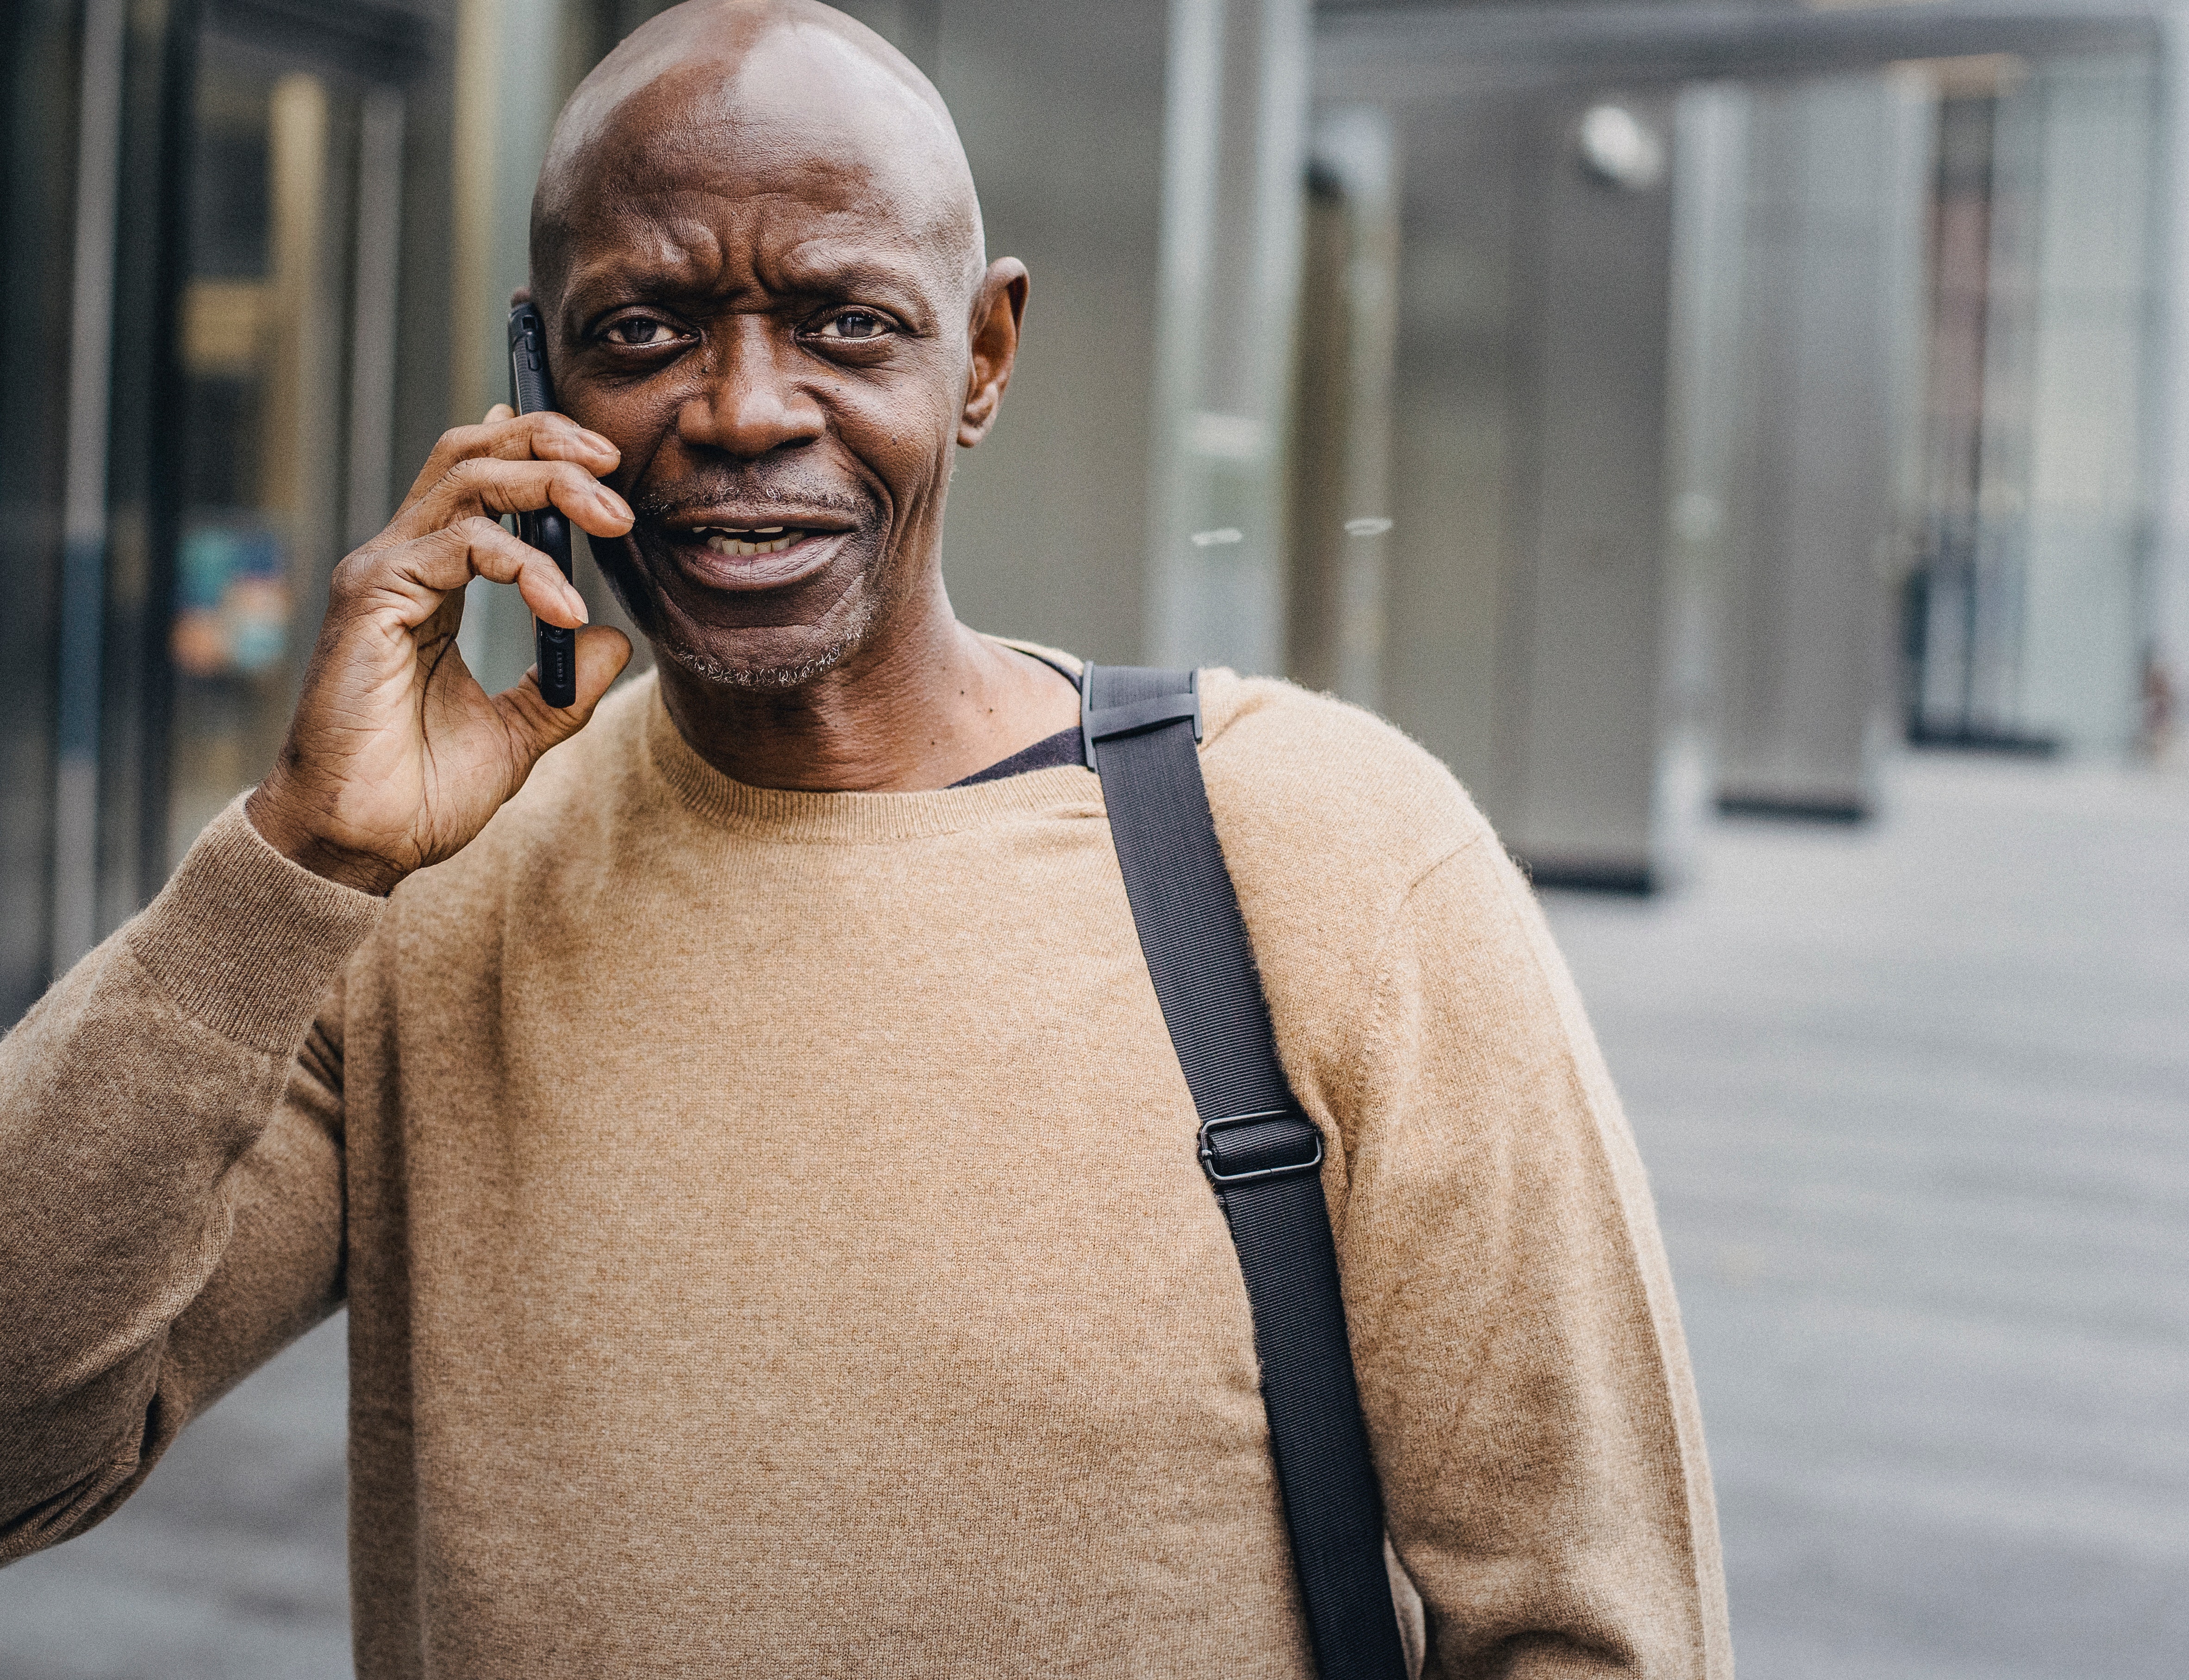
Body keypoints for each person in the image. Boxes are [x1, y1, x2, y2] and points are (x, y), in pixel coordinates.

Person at [0, 3, 1729, 1673]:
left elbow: (1591, 1631)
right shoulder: (425, 905)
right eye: (643, 332)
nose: (743, 408)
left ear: (980, 354)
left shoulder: (1329, 854)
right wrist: (292, 861)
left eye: (845, 324)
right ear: (538, 369)